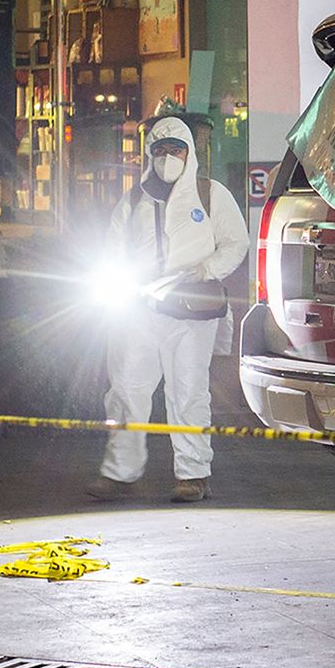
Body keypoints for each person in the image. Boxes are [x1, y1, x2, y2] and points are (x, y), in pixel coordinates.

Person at [87, 116, 248, 504]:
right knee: (126, 389)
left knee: (188, 392)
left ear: (189, 152)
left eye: (175, 149)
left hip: (193, 312)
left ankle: (193, 475)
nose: (166, 157)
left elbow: (236, 243)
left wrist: (205, 270)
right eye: (159, 150)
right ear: (149, 154)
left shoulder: (211, 195)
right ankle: (120, 472)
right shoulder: (132, 202)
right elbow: (112, 249)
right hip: (138, 310)